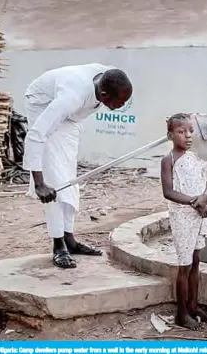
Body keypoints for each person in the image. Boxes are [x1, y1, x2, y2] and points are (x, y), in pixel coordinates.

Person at [23, 64, 133, 269]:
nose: (123, 106)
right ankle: (58, 246)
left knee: (69, 180)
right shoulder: (71, 97)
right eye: (120, 102)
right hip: (42, 104)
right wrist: (39, 183)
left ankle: (69, 240)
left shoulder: (110, 76)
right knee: (55, 181)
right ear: (103, 94)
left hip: (70, 119)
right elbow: (36, 135)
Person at [160, 113, 207, 330]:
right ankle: (181, 313)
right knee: (184, 266)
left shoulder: (193, 157)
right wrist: (194, 201)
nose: (188, 135)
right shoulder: (169, 160)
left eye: (190, 131)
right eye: (181, 132)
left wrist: (204, 198)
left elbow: (206, 181)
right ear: (170, 135)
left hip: (197, 215)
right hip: (182, 217)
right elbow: (168, 192)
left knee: (195, 261)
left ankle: (193, 305)